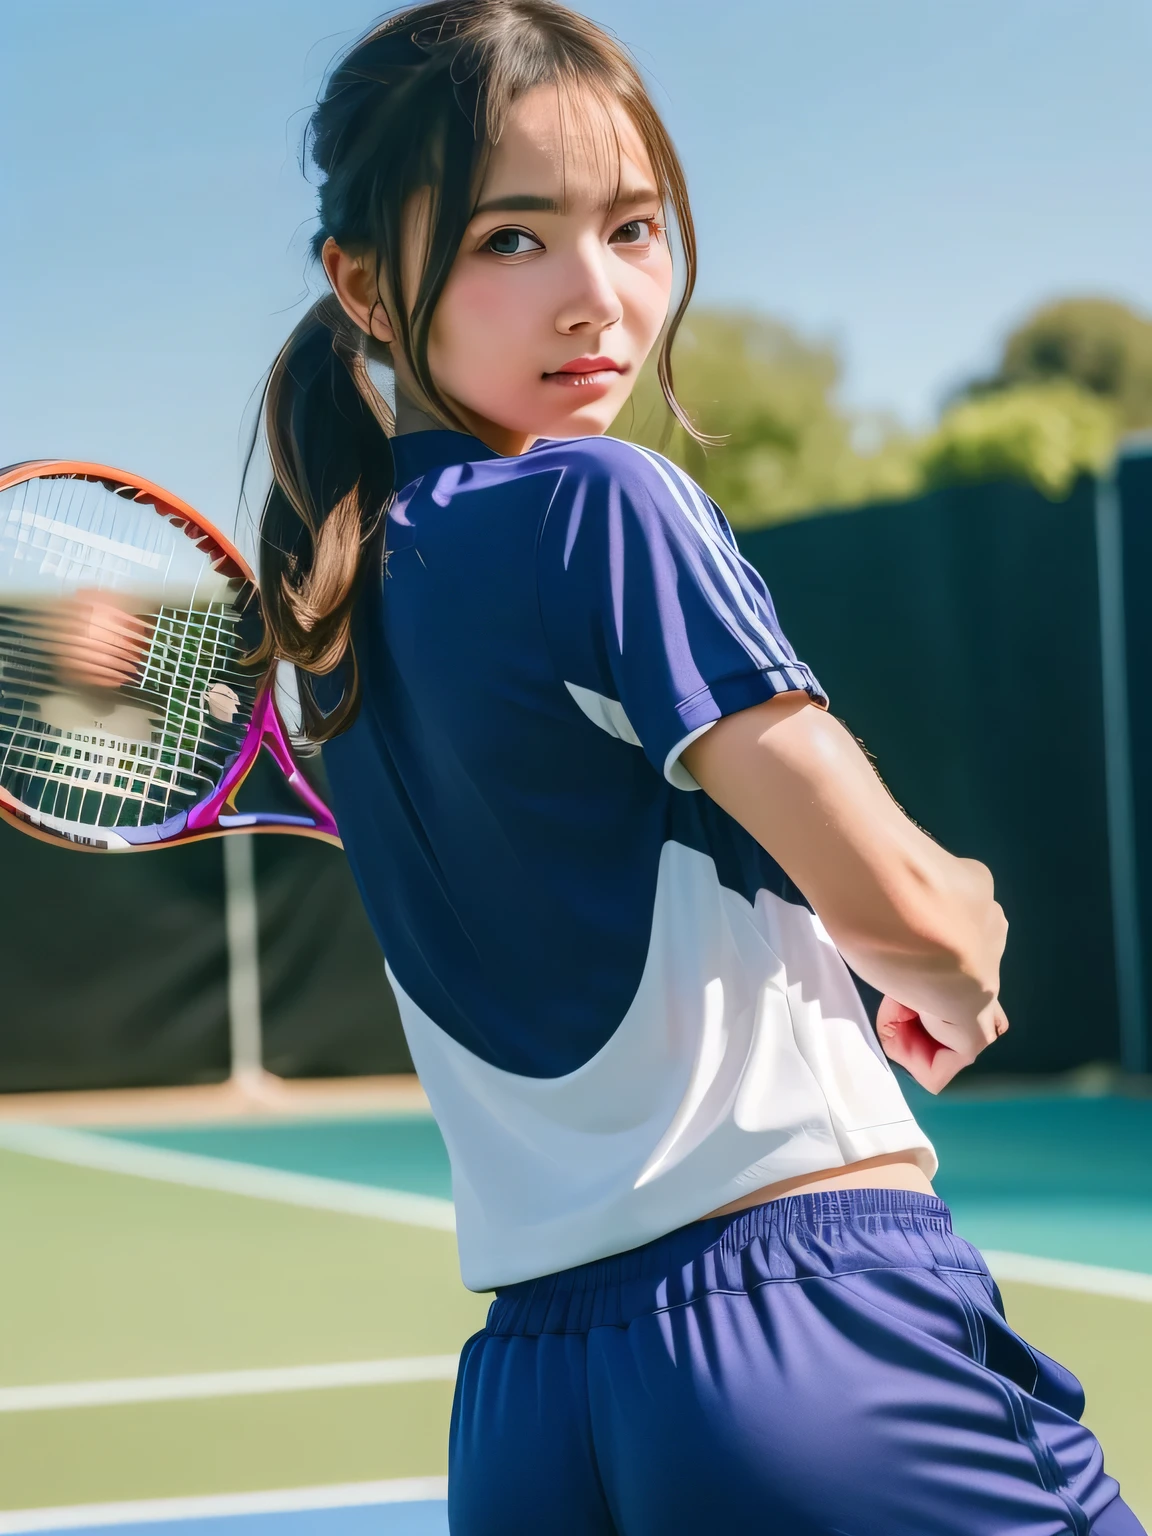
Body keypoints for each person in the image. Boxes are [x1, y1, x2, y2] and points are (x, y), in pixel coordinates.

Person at [247, 4, 1143, 1532]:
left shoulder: (329, 630)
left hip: (533, 1413)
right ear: (364, 288)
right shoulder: (607, 505)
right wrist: (962, 941)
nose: (598, 299)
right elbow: (915, 921)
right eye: (510, 240)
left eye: (634, 226)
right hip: (813, 1331)